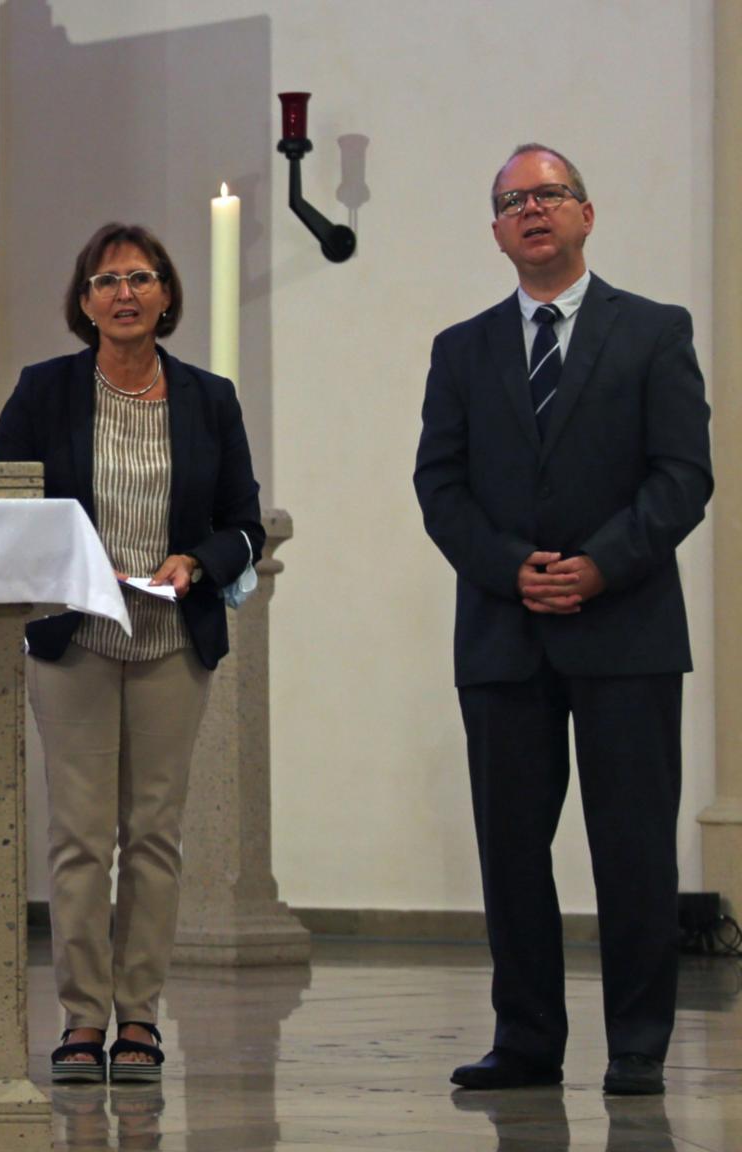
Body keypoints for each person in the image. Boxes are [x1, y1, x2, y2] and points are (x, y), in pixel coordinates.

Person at [414, 144, 712, 1098]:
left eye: (549, 196)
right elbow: (441, 486)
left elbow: (683, 477)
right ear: (496, 231)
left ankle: (636, 1044)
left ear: (588, 214)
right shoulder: (462, 349)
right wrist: (513, 570)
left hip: (626, 631)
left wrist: (601, 565)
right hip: (505, 636)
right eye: (512, 201)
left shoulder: (656, 332)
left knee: (631, 845)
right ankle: (528, 1039)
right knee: (512, 849)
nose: (532, 211)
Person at [0, 223, 262, 1085]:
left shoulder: (209, 398)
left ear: (168, 296)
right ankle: (80, 1020)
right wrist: (74, 562)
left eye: (141, 278)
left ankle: (139, 1020)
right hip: (76, 635)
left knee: (154, 835)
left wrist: (199, 562)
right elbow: (11, 505)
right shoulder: (45, 392)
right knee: (79, 838)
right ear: (84, 304)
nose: (125, 294)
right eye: (106, 281)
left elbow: (244, 523)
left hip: (171, 636)